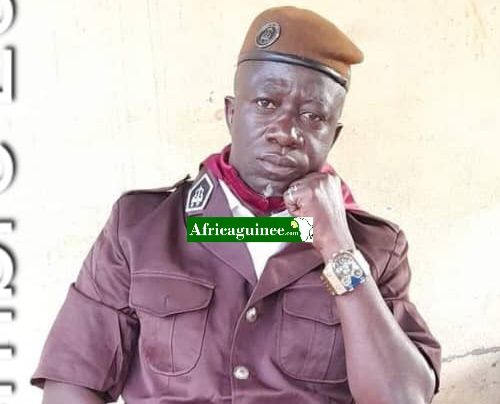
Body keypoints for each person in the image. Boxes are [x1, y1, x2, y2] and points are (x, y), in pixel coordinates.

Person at [32, 6, 441, 404]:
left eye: (313, 116)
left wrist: (339, 248)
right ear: (231, 113)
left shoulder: (375, 248)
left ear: (332, 137)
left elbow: (402, 397)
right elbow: (73, 378)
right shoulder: (141, 228)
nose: (286, 132)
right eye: (266, 104)